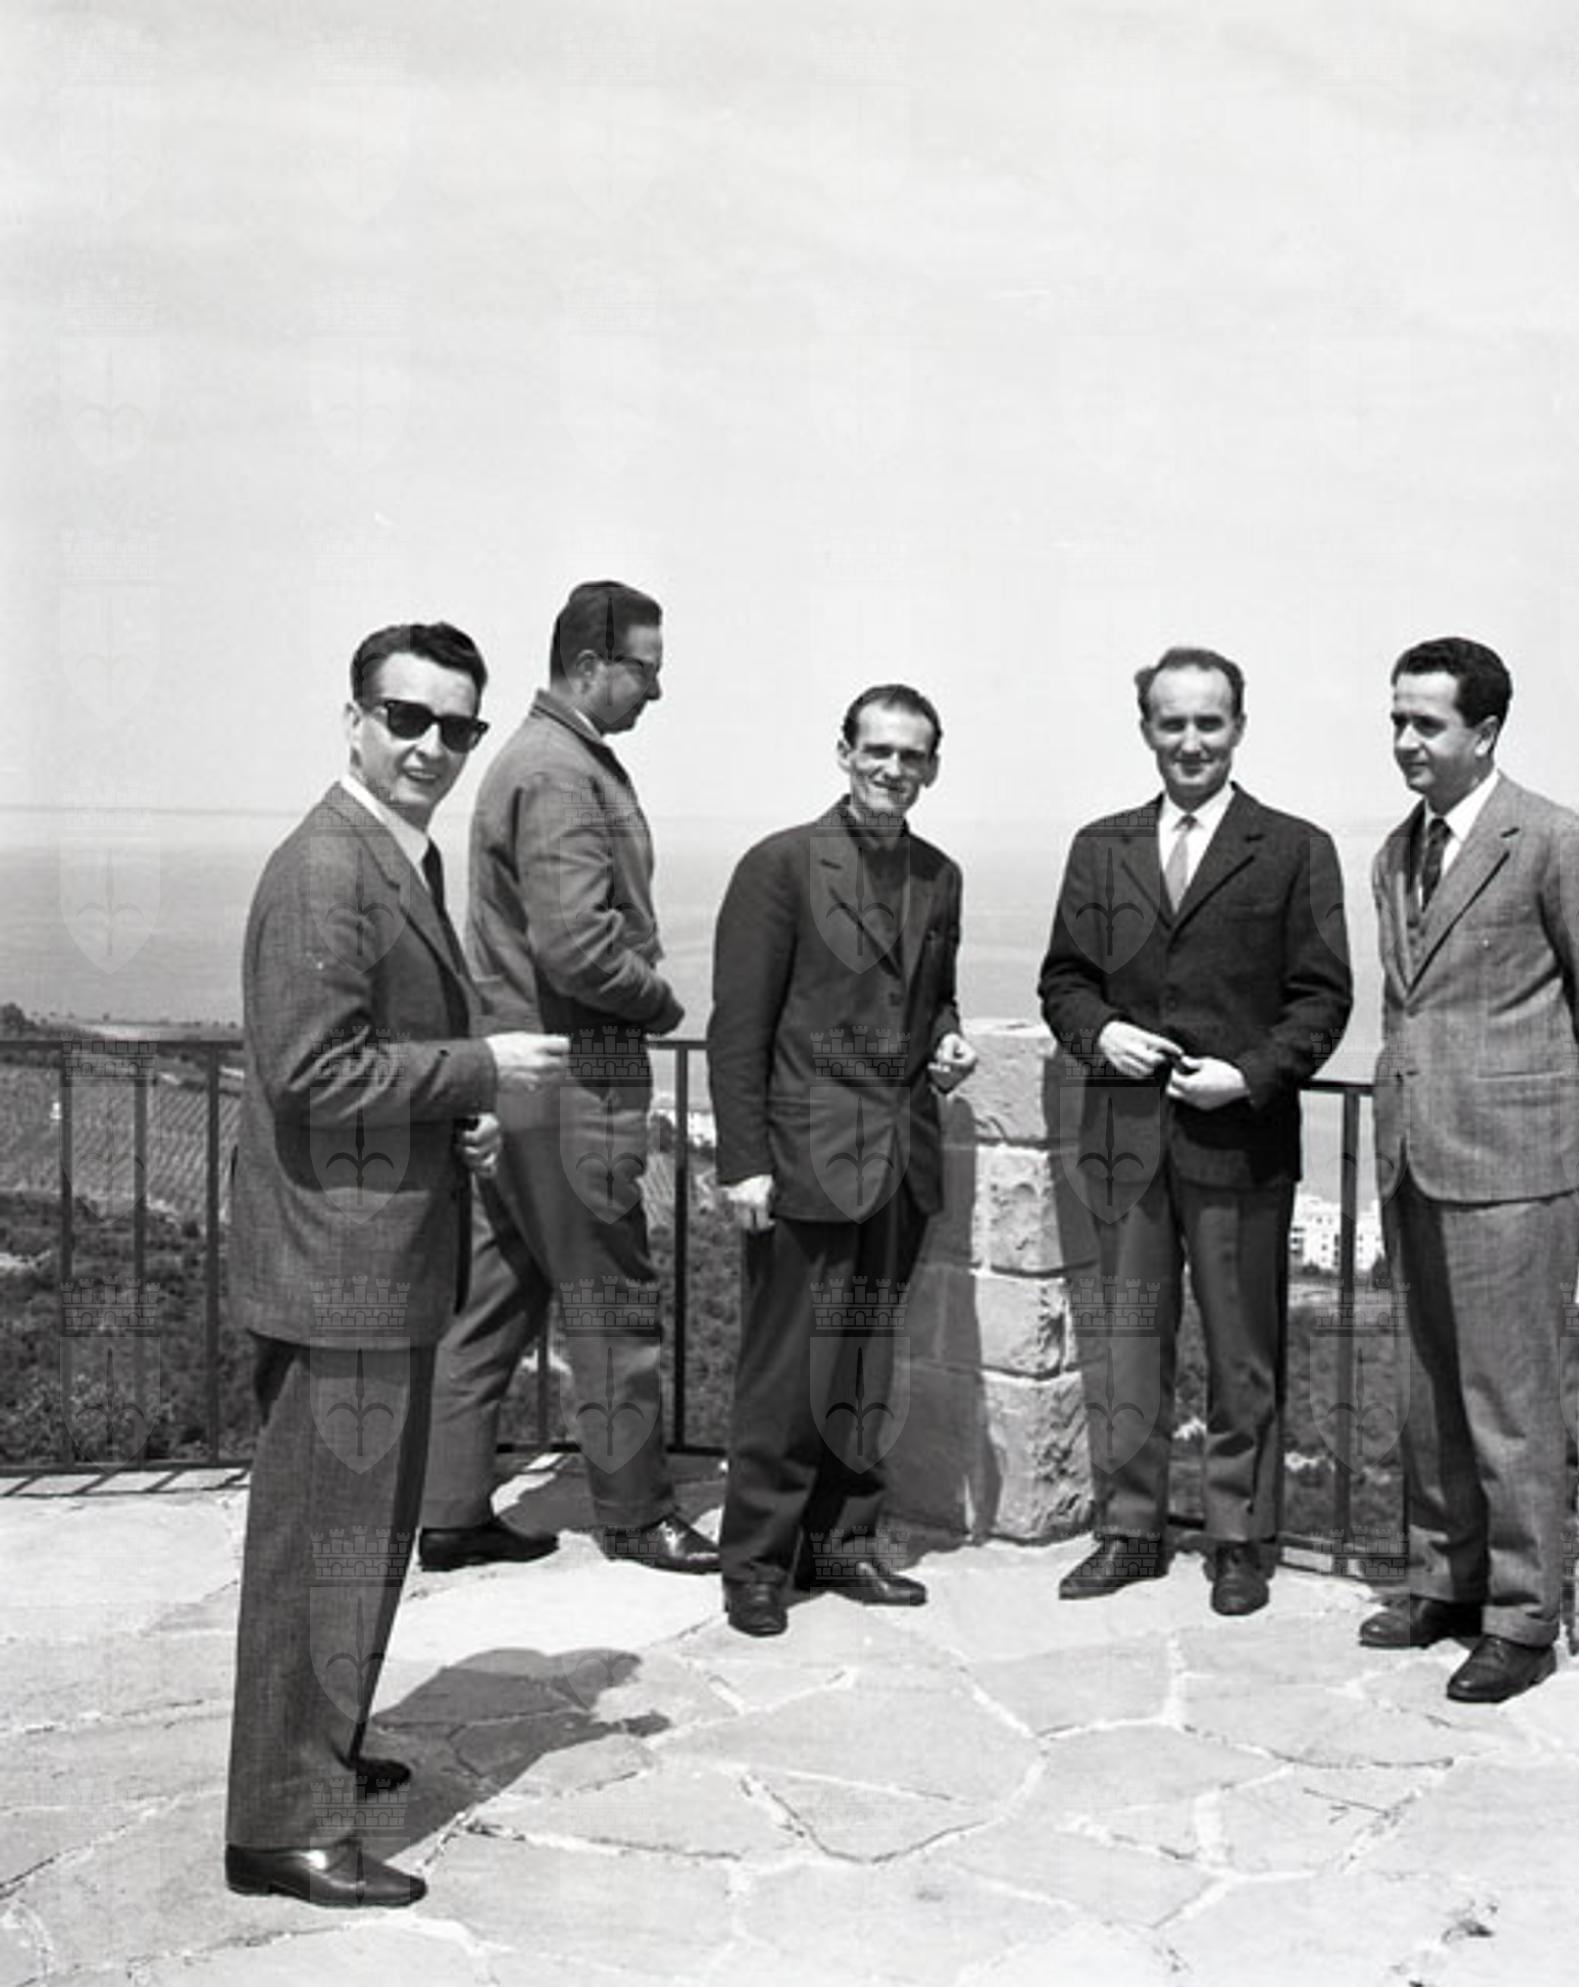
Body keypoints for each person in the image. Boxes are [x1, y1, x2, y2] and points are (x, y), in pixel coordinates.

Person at [224, 622, 566, 1907]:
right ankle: (282, 1823)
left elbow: (372, 1056)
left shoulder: (393, 852)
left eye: (456, 726)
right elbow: (311, 1072)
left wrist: (456, 1112)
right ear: (355, 719)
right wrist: (483, 1068)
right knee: (324, 1546)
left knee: (358, 1542)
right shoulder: (328, 865)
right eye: (406, 717)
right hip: (340, 1268)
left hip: (372, 1254)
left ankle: (316, 1755)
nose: (431, 746)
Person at [1039, 648, 1352, 1616]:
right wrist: (1100, 1032)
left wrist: (1247, 1076)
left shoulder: (1294, 848)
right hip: (1125, 1141)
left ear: (1238, 728)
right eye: (1171, 722)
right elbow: (1064, 979)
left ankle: (1238, 1540)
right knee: (1131, 1340)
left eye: (1208, 722)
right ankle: (1130, 1529)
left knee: (1241, 1350)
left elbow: (1322, 997)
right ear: (1146, 729)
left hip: (1239, 1142)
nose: (1190, 741)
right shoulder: (1100, 847)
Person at [1360, 635, 1579, 1701]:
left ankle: (1523, 1619)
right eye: (1396, 719)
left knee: (1512, 1399)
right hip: (1414, 1155)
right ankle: (1444, 1580)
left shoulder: (1556, 841)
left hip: (1514, 1166)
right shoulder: (1394, 853)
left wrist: (1537, 1097)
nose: (1405, 740)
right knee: (1428, 1387)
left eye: (1426, 722)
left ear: (1483, 731)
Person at [420, 581, 716, 1578]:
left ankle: (449, 1509)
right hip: (576, 1079)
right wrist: (659, 1003)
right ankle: (634, 1513)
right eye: (645, 669)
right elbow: (579, 948)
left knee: (494, 1298)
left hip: (518, 1080)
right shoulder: (559, 773)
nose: (656, 691)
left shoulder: (540, 758)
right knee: (613, 1304)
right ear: (590, 666)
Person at [708, 685, 976, 1638]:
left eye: (912, 755)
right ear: (844, 752)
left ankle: (842, 1543)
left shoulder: (940, 875)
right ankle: (755, 1563)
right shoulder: (778, 865)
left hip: (899, 1161)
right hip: (803, 1163)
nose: (893, 769)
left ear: (932, 766)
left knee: (864, 1366)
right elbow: (737, 1028)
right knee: (786, 1372)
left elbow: (930, 999)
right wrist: (743, 1163)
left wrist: (945, 1041)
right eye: (878, 751)